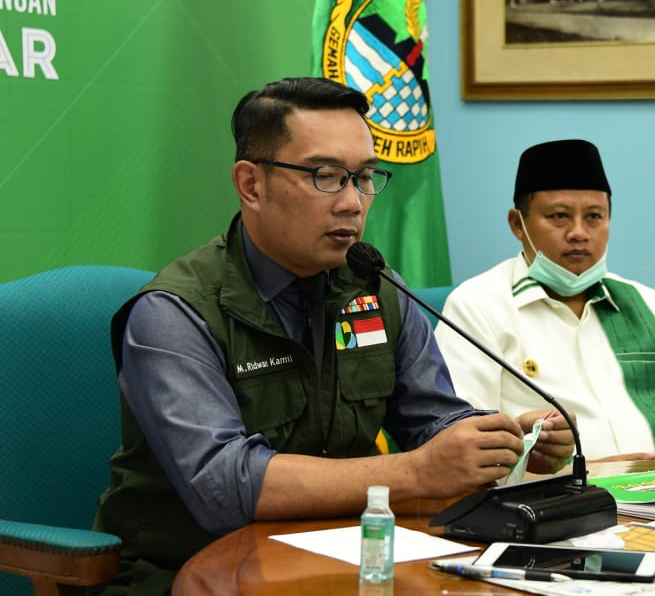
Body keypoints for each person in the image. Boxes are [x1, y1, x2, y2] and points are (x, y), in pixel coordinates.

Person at [92, 77, 573, 594]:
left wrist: (496, 440)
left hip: (349, 563)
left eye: (365, 177)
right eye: (326, 177)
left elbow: (433, 420)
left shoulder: (374, 285)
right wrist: (416, 472)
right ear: (251, 185)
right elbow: (223, 487)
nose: (353, 203)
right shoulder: (175, 311)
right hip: (193, 576)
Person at [435, 139, 655, 462]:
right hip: (554, 504)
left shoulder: (651, 307)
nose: (579, 233)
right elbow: (465, 442)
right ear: (518, 224)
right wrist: (588, 476)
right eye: (559, 216)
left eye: (594, 217)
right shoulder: (478, 307)